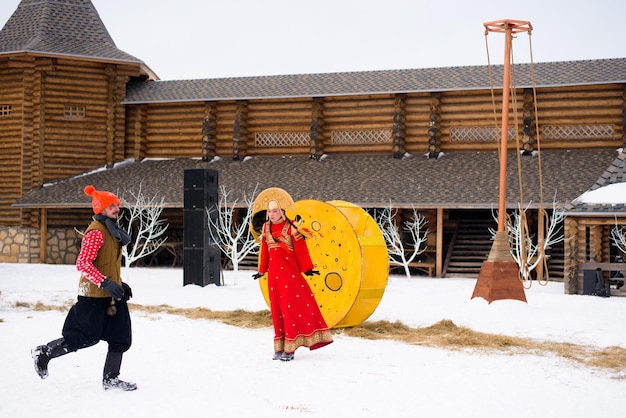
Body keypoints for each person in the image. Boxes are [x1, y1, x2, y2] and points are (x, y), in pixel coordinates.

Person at [31, 185, 137, 391]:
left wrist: (119, 284)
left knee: (120, 336)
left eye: (117, 205)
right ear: (101, 209)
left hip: (111, 295)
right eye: (111, 206)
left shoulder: (112, 231)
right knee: (83, 337)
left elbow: (106, 263)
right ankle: (44, 352)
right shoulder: (96, 232)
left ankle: (111, 379)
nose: (116, 209)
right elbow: (83, 263)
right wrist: (105, 282)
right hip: (93, 296)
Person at [253, 199, 333, 361]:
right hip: (274, 278)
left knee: (290, 309)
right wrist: (262, 270)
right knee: (277, 310)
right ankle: (280, 347)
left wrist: (307, 268)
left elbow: (301, 250)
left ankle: (290, 349)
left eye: (275, 211)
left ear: (281, 211)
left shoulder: (291, 228)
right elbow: (265, 251)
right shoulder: (265, 228)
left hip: (290, 276)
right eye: (269, 211)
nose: (272, 214)